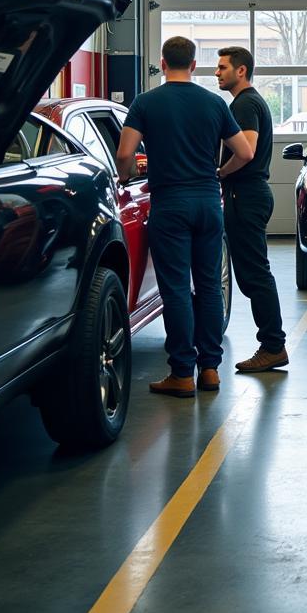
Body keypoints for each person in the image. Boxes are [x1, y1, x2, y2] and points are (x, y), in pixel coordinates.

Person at [117, 36, 252, 398]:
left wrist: (126, 174)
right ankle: (210, 370)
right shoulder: (214, 103)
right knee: (208, 286)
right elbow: (245, 152)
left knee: (175, 288)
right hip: (208, 203)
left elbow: (124, 152)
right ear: (193, 65)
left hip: (170, 204)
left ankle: (181, 373)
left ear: (163, 64)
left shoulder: (146, 103)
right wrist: (219, 173)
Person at [215, 46, 288, 374]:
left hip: (245, 194)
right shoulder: (249, 102)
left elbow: (246, 151)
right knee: (252, 274)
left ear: (240, 71)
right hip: (250, 194)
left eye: (222, 68)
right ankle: (272, 342)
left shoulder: (244, 104)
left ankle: (273, 345)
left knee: (255, 274)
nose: (217, 73)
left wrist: (220, 172)